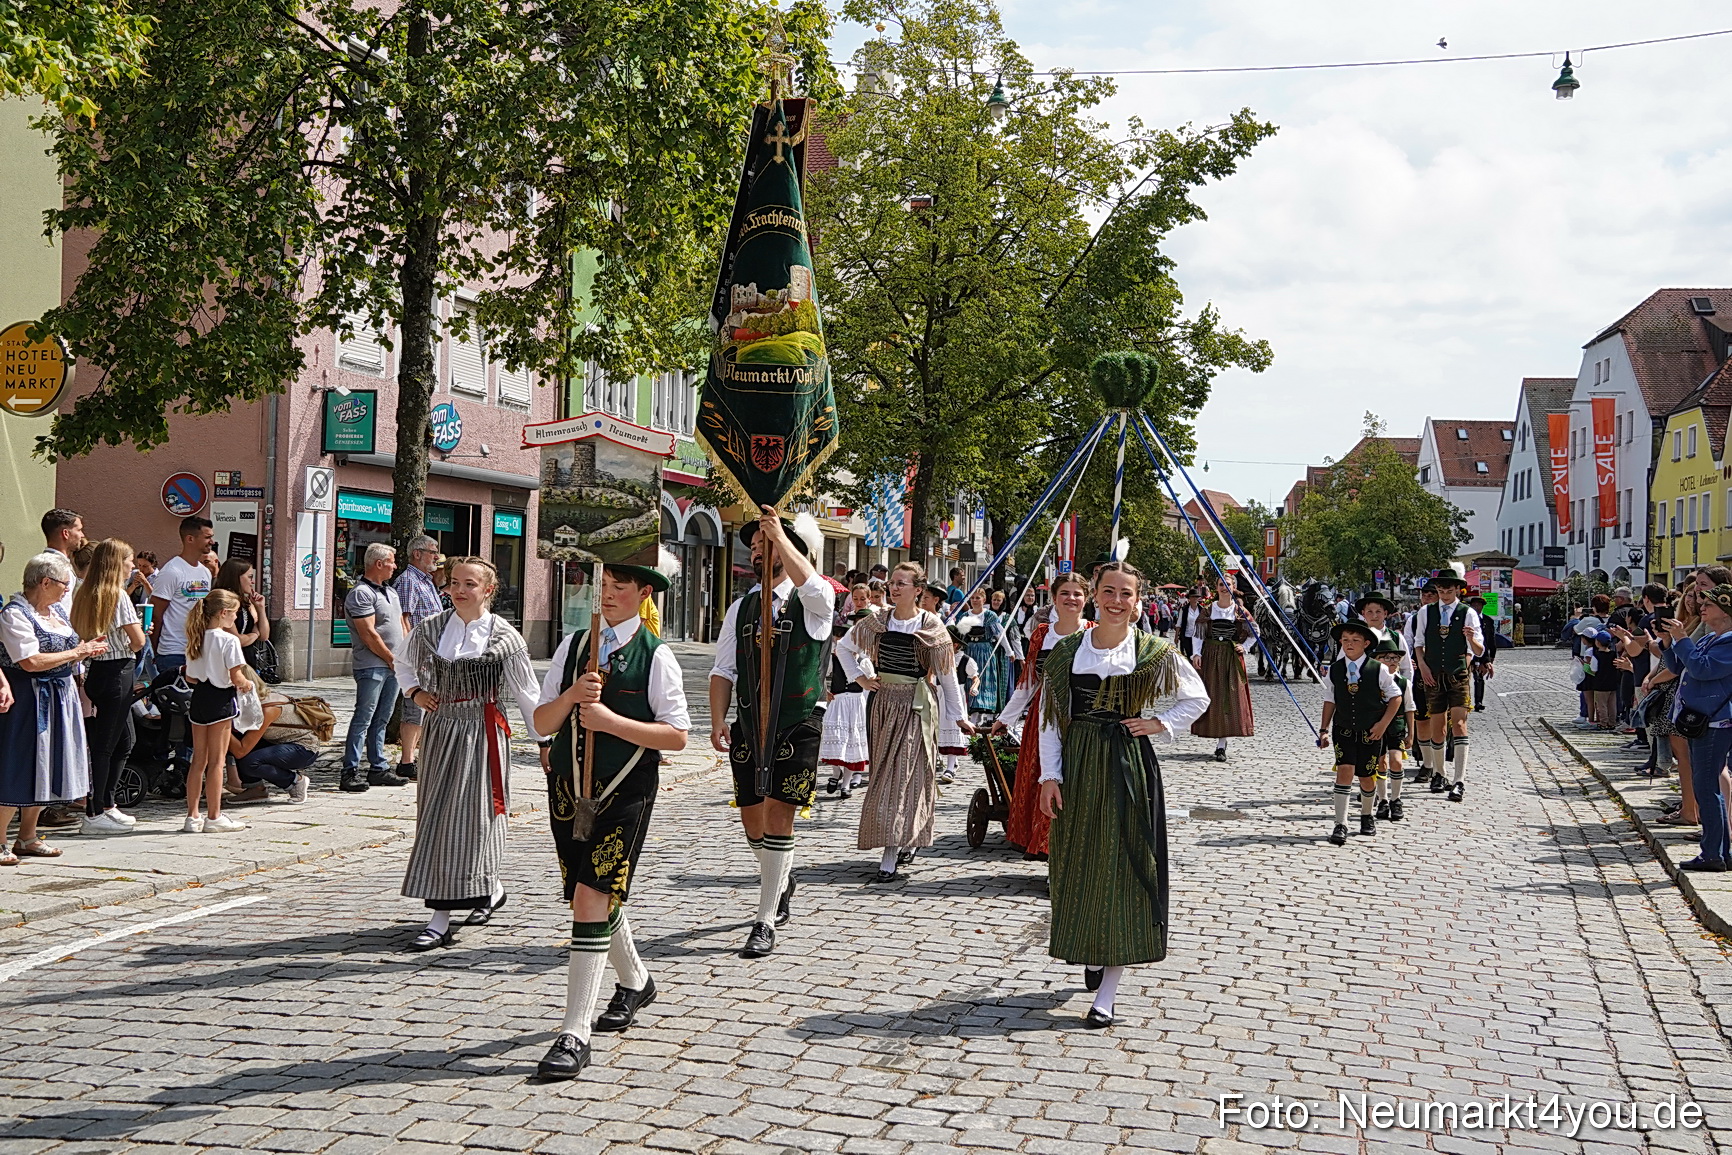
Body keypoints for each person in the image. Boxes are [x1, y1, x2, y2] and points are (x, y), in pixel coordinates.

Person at [532, 561, 689, 1080]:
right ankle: (637, 980)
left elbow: (677, 735)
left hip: (625, 792)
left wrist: (612, 721)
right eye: (603, 586)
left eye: (620, 588)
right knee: (588, 891)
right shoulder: (574, 646)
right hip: (569, 790)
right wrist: (573, 698)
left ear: (643, 594)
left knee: (589, 897)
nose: (608, 595)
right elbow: (541, 721)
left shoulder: (656, 655)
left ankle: (574, 1033)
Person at [1036, 562, 1209, 1028]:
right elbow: (1050, 719)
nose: (1116, 600)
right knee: (1080, 862)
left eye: (1126, 593)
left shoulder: (1154, 651)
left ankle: (1108, 988)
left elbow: (1197, 698)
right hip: (1079, 762)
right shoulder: (1067, 651)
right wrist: (1049, 777)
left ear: (1137, 602)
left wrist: (1159, 723)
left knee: (1127, 864)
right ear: (1094, 594)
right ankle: (1092, 945)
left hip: (1129, 767)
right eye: (1108, 591)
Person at [397, 557, 545, 949]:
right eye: (454, 583)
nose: (460, 591)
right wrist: (415, 692)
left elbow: (528, 693)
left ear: (488, 590)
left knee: (479, 819)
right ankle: (461, 904)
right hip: (442, 729)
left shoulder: (505, 638)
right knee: (438, 816)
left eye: (470, 584)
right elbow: (402, 662)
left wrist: (545, 741)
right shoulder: (431, 629)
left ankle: (464, 902)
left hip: (482, 732)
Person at [708, 509, 831, 958]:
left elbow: (814, 587)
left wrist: (782, 533)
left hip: (798, 718)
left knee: (780, 815)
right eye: (755, 547)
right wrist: (718, 719)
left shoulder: (815, 599)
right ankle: (781, 874)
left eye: (766, 545)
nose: (757, 551)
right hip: (748, 721)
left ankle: (764, 920)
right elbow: (722, 670)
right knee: (752, 821)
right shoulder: (741, 607)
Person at [837, 562, 967, 883]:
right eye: (892, 583)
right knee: (885, 773)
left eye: (901, 583)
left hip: (917, 705)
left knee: (908, 772)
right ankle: (898, 838)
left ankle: (892, 850)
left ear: (917, 590)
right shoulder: (877, 621)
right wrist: (862, 678)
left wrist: (960, 718)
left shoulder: (932, 625)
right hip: (884, 704)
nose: (894, 588)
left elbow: (948, 676)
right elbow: (843, 648)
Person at [0, 553, 103, 864]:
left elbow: (67, 651)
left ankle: (27, 836)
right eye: (63, 584)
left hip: (60, 696)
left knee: (46, 765)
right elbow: (30, 661)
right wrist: (77, 651)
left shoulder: (56, 610)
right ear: (45, 582)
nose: (66, 590)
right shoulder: (14, 615)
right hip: (29, 697)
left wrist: (81, 657)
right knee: (20, 763)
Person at [994, 570, 1089, 860]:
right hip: (1041, 716)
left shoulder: (1093, 633)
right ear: (1054, 598)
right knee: (1043, 779)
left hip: (1078, 717)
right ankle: (1041, 842)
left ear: (1086, 598)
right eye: (1065, 593)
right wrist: (1006, 717)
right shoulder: (1042, 634)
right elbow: (1028, 683)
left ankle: (1061, 847)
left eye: (1077, 594)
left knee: (1071, 781)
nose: (1071, 599)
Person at [70, 538, 147, 834]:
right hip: (118, 669)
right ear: (117, 563)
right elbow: (138, 641)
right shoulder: (118, 595)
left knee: (124, 740)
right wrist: (138, 632)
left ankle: (107, 803)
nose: (131, 566)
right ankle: (94, 811)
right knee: (106, 744)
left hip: (97, 670)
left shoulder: (86, 591)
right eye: (128, 562)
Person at [1658, 584, 1732, 872]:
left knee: (1706, 787)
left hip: (1715, 721)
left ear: (1725, 612)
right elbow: (1680, 666)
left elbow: (1702, 669)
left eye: (1709, 604)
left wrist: (1682, 639)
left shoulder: (1727, 642)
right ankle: (1721, 852)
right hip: (1703, 720)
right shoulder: (1711, 638)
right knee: (1706, 785)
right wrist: (1669, 641)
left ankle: (1713, 853)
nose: (1702, 606)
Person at [1316, 620, 1404, 845]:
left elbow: (1396, 697)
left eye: (1355, 640)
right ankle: (1341, 823)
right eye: (1345, 640)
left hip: (1370, 731)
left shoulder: (1378, 669)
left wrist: (1383, 724)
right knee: (1344, 771)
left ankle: (1366, 815)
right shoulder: (1335, 669)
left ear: (1366, 644)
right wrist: (1324, 729)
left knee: (1366, 777)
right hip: (1343, 729)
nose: (1349, 644)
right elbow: (1330, 699)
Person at [341, 542, 409, 793]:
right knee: (364, 717)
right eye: (391, 561)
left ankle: (377, 767)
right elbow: (368, 634)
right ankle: (350, 770)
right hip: (372, 666)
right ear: (379, 563)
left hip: (392, 666)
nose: (395, 566)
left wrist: (402, 656)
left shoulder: (389, 592)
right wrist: (391, 658)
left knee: (382, 717)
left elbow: (400, 625)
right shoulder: (361, 593)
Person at [181, 588, 251, 833]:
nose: (235, 619)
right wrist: (247, 684)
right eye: (233, 614)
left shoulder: (196, 636)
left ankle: (192, 816)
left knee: (198, 760)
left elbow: (190, 676)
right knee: (217, 761)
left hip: (200, 696)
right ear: (223, 613)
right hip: (220, 698)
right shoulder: (228, 640)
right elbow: (236, 675)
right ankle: (214, 815)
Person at [1411, 574, 1484, 803]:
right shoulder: (1426, 612)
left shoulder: (1468, 613)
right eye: (1441, 590)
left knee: (1460, 723)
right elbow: (1418, 643)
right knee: (1438, 725)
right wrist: (1422, 666)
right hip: (1433, 673)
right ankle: (1439, 773)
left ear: (1457, 590)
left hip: (1457, 673)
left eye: (1448, 590)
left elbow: (1479, 650)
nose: (1444, 594)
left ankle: (1459, 779)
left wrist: (1471, 642)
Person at [1352, 594, 1412, 818]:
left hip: (1394, 705)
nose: (1374, 616)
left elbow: (1406, 668)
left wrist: (1406, 689)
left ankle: (1391, 798)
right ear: (1363, 614)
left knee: (1393, 760)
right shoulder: (1357, 637)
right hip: (1368, 704)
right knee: (1375, 758)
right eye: (1370, 612)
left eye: (1379, 612)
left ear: (1386, 614)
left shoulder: (1396, 636)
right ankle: (1375, 792)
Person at [393, 535, 446, 782]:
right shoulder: (408, 581)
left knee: (428, 708)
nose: (436, 556)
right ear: (417, 554)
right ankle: (406, 762)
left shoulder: (427, 581)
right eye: (432, 551)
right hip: (419, 654)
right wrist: (411, 653)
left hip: (434, 655)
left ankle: (420, 757)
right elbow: (404, 619)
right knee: (414, 709)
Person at [1187, 573, 1256, 761]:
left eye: (1228, 584)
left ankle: (1221, 743)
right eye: (1221, 584)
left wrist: (1245, 647)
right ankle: (1216, 734)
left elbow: (1255, 632)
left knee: (1229, 697)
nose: (1224, 587)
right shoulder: (1209, 610)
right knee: (1213, 696)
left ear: (1234, 587)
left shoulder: (1239, 611)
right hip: (1211, 656)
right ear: (1216, 588)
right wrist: (1196, 654)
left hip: (1230, 657)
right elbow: (1198, 634)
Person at [227, 670, 316, 804]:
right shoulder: (258, 700)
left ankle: (295, 781)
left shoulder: (267, 708)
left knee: (249, 761)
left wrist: (221, 727)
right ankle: (255, 789)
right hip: (279, 742)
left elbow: (241, 750)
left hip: (304, 748)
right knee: (241, 741)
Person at [150, 516, 216, 674]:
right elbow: (156, 614)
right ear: (190, 539)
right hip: (173, 652)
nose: (212, 541)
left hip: (198, 650)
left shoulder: (205, 572)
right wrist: (155, 650)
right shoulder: (172, 571)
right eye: (207, 537)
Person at [1372, 636, 1415, 823]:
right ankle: (1382, 800)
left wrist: (1411, 733)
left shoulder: (1404, 682)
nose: (1392, 662)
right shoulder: (1372, 681)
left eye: (1395, 658)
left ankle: (1396, 799)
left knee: (1396, 762)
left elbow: (1409, 707)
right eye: (1387, 658)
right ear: (1377, 660)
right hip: (1377, 728)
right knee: (1380, 763)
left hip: (1396, 727)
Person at [954, 586, 1011, 721]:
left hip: (985, 652)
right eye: (972, 598)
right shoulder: (965, 616)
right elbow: (959, 636)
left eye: (977, 598)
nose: (974, 600)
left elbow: (1000, 634)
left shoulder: (989, 615)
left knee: (985, 682)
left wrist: (1009, 651)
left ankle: (986, 717)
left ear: (984, 599)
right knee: (969, 680)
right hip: (970, 651)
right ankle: (971, 715)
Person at [213, 559, 272, 673]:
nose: (253, 581)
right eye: (250, 577)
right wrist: (255, 634)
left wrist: (260, 608)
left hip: (247, 662)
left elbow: (264, 636)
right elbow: (237, 640)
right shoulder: (223, 601)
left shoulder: (245, 601)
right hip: (228, 663)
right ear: (236, 577)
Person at [1466, 595, 1498, 714]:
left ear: (1482, 607)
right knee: (1465, 677)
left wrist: (1490, 658)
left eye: (1478, 605)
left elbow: (1490, 640)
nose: (1475, 607)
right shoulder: (1467, 618)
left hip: (1482, 653)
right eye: (1473, 605)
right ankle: (1465, 701)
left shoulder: (1487, 620)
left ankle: (1478, 702)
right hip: (1469, 652)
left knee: (1479, 677)